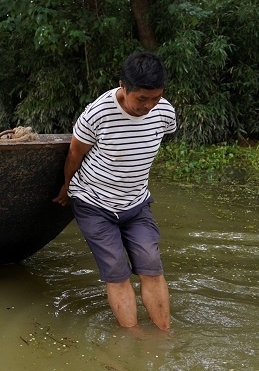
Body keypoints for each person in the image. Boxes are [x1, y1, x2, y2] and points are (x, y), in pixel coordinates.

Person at [53, 52, 177, 331]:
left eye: (155, 98)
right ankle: (133, 338)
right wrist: (67, 187)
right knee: (117, 273)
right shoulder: (98, 113)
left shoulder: (165, 112)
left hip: (136, 203)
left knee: (152, 266)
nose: (148, 106)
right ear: (123, 86)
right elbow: (74, 153)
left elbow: (144, 146)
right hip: (94, 203)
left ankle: (164, 335)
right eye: (141, 99)